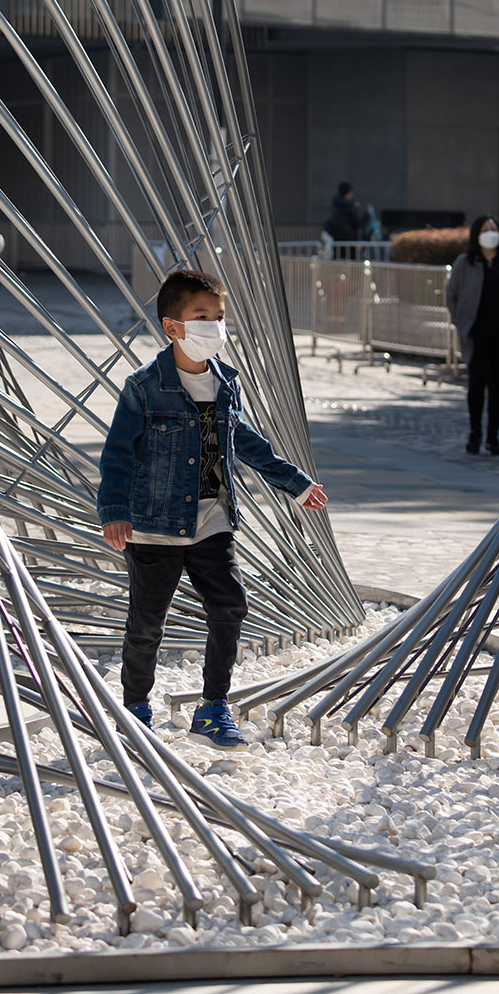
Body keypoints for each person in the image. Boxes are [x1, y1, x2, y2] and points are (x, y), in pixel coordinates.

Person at [97, 268, 327, 749]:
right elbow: (118, 452)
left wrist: (296, 483)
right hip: (155, 526)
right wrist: (114, 510)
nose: (215, 326)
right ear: (173, 326)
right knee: (146, 624)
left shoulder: (226, 384)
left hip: (212, 521)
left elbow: (245, 441)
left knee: (229, 605)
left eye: (219, 316)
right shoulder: (143, 387)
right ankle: (136, 709)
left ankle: (213, 707)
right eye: (202, 316)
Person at [446, 215, 499, 456]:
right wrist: (460, 321)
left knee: (497, 387)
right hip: (476, 334)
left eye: (494, 229)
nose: (490, 233)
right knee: (476, 384)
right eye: (485, 229)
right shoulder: (466, 262)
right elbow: (452, 295)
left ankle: (493, 437)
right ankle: (474, 435)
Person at [323, 181, 367, 257]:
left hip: (336, 238)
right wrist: (366, 215)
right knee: (350, 262)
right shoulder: (350, 205)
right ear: (348, 192)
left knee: (337, 261)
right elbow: (357, 222)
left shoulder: (336, 203)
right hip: (348, 240)